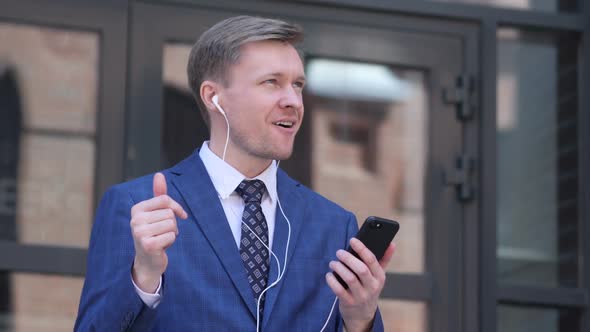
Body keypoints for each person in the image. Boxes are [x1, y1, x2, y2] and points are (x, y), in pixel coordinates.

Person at [75, 15, 395, 331]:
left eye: (297, 85)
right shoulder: (136, 206)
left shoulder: (333, 224)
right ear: (213, 96)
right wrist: (143, 278)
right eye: (272, 82)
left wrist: (360, 321)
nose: (293, 101)